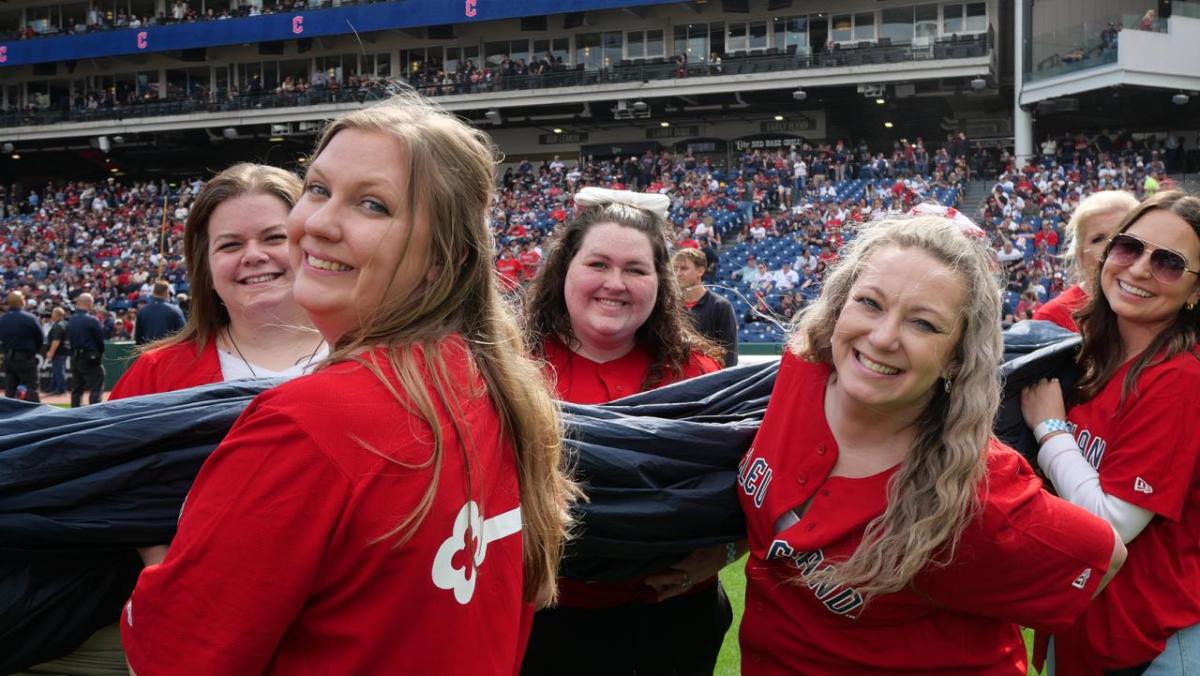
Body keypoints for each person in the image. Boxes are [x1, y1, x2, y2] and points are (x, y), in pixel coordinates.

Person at [120, 95, 576, 674]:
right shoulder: (493, 385)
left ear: (443, 258)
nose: (317, 223)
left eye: (372, 205)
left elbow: (171, 658)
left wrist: (169, 564)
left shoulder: (307, 423)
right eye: (316, 188)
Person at [724, 214, 1125, 673]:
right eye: (869, 303)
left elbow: (1105, 556)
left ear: (957, 357)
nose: (882, 337)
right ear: (839, 305)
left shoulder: (979, 496)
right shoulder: (801, 369)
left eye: (923, 324)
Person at [521, 186, 731, 676]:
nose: (615, 283)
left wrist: (721, 552)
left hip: (672, 622)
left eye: (635, 270)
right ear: (565, 269)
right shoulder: (510, 370)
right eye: (598, 264)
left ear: (659, 283)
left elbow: (750, 485)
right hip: (546, 619)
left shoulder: (699, 375)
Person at [1022, 190, 1200, 674]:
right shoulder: (1096, 357)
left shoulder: (1179, 378)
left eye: (1169, 262)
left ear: (1195, 292)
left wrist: (1050, 429)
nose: (1139, 269)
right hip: (1087, 623)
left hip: (1153, 641)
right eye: (1128, 247)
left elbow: (1112, 524)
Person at [110, 163, 326, 398]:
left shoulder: (368, 360)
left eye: (275, 237)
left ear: (312, 248)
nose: (253, 255)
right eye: (230, 245)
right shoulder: (155, 375)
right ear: (207, 270)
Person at [1035, 191, 1139, 332]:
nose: (1113, 246)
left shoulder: (1163, 307)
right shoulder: (1051, 320)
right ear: (1080, 255)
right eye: (1098, 239)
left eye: (1126, 234)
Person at [674, 247, 739, 367]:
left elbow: (730, 355)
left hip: (710, 381)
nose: (678, 274)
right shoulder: (670, 307)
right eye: (675, 269)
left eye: (683, 268)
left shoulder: (721, 307)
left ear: (700, 271)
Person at [0, 290, 43, 402]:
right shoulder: (29, 318)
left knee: (10, 389)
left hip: (8, 357)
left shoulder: (3, 319)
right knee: (31, 387)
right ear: (21, 301)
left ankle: (8, 417)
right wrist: (33, 352)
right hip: (25, 357)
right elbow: (40, 338)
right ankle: (35, 417)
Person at [66, 293, 105, 406]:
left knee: (77, 388)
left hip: (75, 357)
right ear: (89, 303)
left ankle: (74, 414)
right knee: (96, 386)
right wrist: (99, 355)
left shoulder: (72, 319)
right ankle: (94, 413)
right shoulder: (92, 320)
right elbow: (99, 341)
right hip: (89, 357)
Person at [133, 280, 185, 345]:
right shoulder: (175, 310)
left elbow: (138, 338)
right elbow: (183, 334)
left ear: (154, 292)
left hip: (149, 351)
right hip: (168, 351)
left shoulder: (142, 310)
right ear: (167, 292)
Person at [44, 306, 69, 395]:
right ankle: (53, 387)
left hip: (59, 351)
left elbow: (56, 340)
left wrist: (51, 352)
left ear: (57, 314)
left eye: (53, 313)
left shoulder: (58, 325)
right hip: (64, 350)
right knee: (56, 369)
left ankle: (61, 389)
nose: (51, 315)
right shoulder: (65, 323)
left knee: (58, 369)